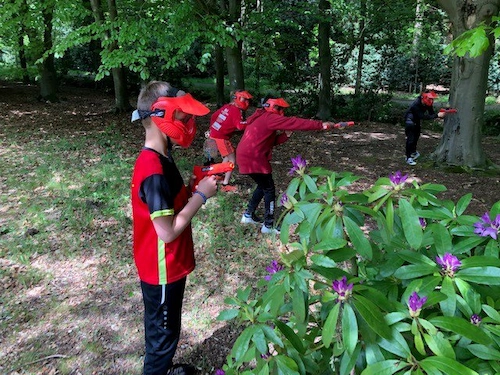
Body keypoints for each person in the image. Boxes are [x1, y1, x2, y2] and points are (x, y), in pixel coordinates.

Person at [130, 81, 218, 375]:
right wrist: (201, 196)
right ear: (161, 115)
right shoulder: (153, 170)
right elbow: (166, 232)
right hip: (162, 270)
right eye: (182, 116)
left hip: (164, 266)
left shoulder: (162, 157)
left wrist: (191, 190)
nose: (188, 122)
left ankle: (163, 368)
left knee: (164, 330)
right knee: (163, 339)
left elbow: (169, 203)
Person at [236, 96, 342, 234]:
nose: (282, 112)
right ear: (273, 107)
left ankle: (248, 215)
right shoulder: (269, 118)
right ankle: (268, 226)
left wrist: (286, 136)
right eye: (280, 108)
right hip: (253, 158)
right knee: (269, 189)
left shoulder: (261, 117)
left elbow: (269, 142)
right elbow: (295, 122)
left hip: (246, 156)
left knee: (263, 186)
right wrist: (320, 125)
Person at [208, 89, 253, 192]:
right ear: (238, 99)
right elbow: (240, 126)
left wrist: (214, 128)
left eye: (247, 100)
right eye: (244, 100)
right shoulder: (236, 111)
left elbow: (214, 116)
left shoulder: (227, 107)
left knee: (228, 156)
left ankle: (219, 175)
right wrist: (249, 122)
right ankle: (225, 185)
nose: (246, 103)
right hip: (221, 137)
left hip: (215, 134)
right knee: (232, 159)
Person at [404, 90, 446, 166]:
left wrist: (440, 114)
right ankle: (408, 157)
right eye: (429, 99)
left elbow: (431, 113)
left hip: (416, 122)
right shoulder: (416, 104)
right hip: (410, 121)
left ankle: (413, 152)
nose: (431, 101)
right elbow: (422, 116)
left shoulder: (428, 104)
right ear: (424, 98)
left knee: (416, 137)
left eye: (432, 99)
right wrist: (437, 115)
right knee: (410, 139)